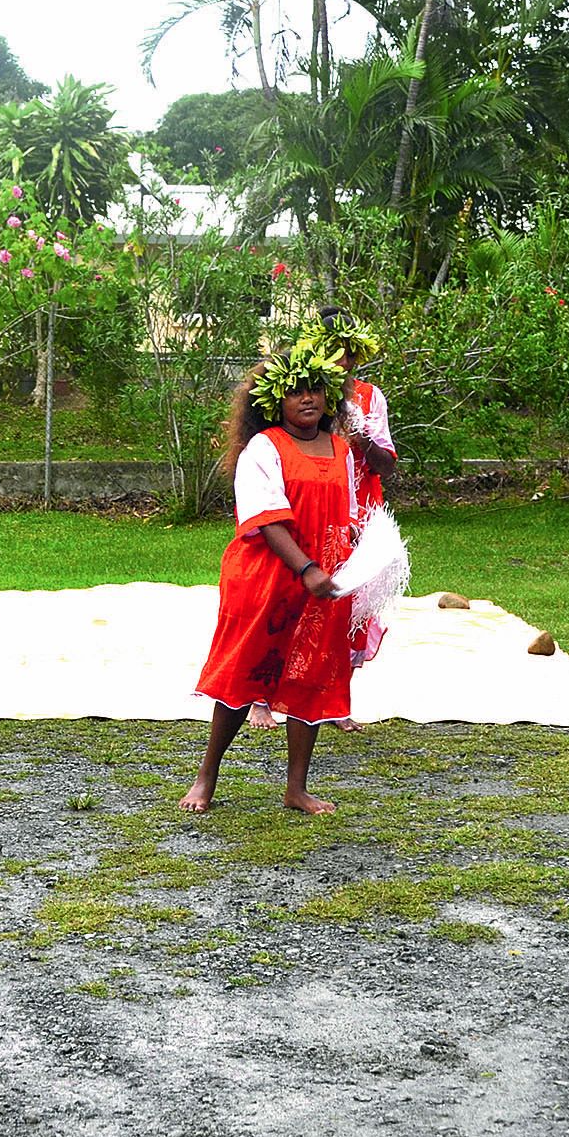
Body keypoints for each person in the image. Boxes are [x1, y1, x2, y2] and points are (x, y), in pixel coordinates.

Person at [183, 342, 360, 816]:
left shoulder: (340, 448)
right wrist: (306, 569)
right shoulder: (263, 448)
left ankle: (296, 788)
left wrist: (353, 566)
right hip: (269, 577)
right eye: (295, 392)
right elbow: (265, 518)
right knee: (245, 673)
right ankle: (207, 775)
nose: (308, 399)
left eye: (316, 390)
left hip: (324, 579)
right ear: (273, 401)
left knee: (312, 675)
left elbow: (349, 515)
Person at [248, 311, 395, 732]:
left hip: (353, 510)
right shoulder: (301, 394)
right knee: (282, 599)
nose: (342, 360)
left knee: (343, 607)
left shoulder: (370, 398)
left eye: (349, 352)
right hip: (300, 507)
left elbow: (385, 464)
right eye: (334, 350)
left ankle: (332, 696)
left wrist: (361, 432)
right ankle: (262, 695)